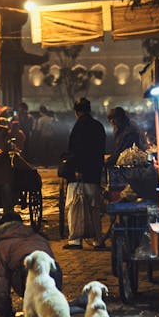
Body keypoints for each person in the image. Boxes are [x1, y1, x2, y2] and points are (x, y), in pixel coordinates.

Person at [0, 209, 62, 317]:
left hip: (27, 276)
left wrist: (6, 313)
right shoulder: (39, 238)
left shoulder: (0, 246)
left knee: (14, 271)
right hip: (54, 275)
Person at [64, 97, 106, 250]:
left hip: (78, 174)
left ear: (76, 112)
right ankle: (97, 240)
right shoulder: (98, 126)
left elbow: (76, 151)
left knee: (75, 207)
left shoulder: (78, 127)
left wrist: (76, 170)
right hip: (93, 172)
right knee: (94, 208)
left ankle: (75, 240)